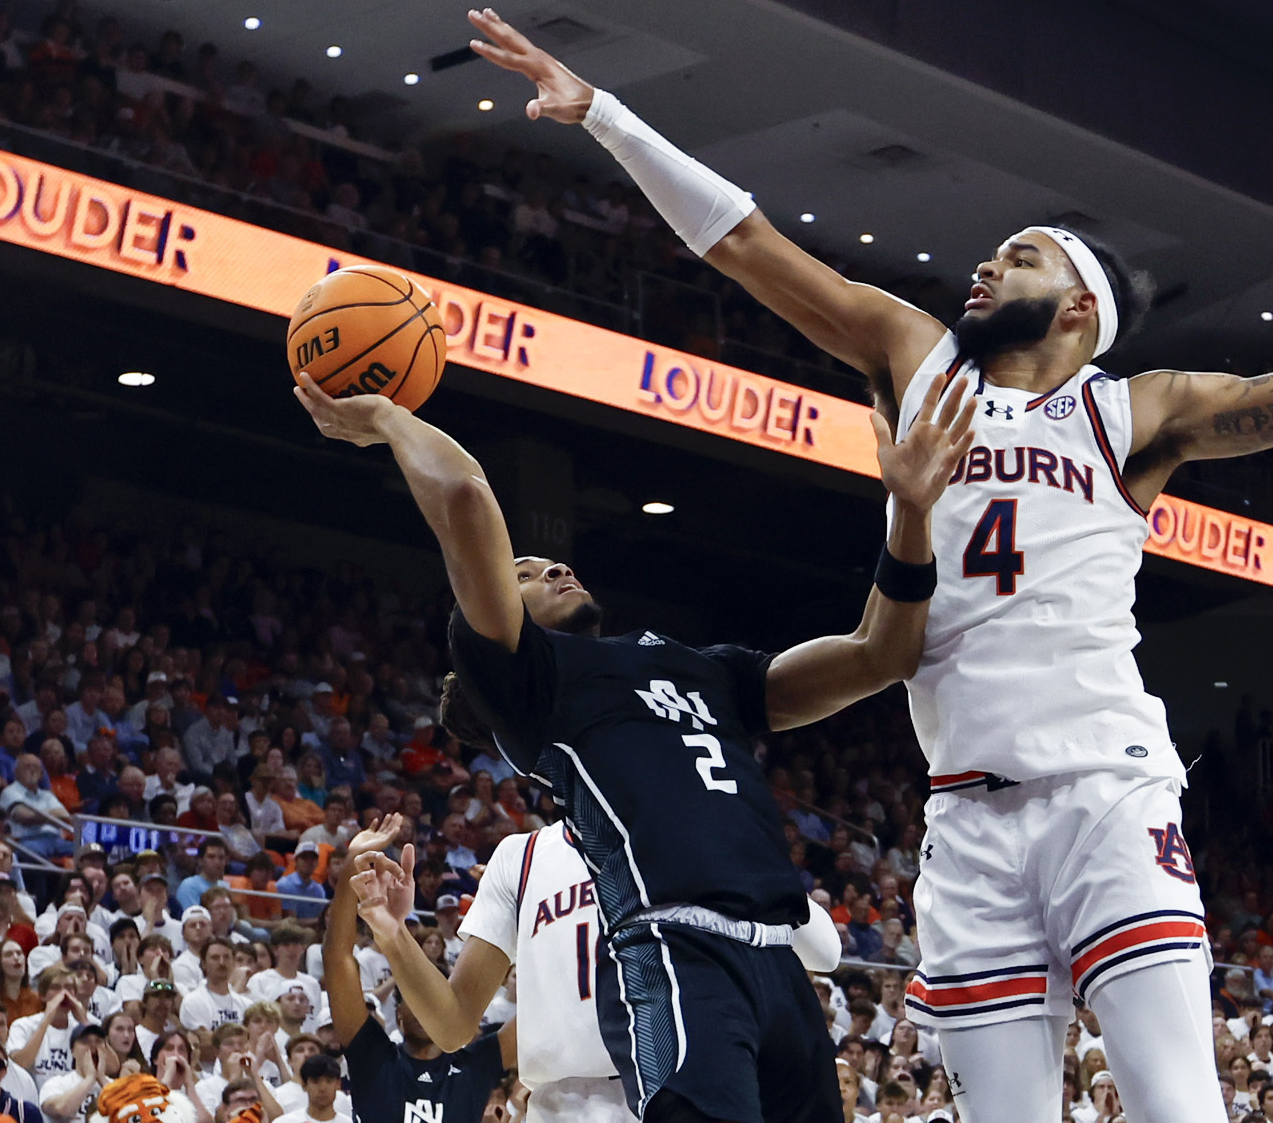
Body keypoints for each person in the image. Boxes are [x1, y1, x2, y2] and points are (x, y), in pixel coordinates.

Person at [467, 5, 1273, 1123]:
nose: (985, 269)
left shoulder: (1133, 413)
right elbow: (751, 248)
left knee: (1172, 1104)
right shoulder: (915, 355)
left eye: (1020, 258)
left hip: (1104, 786)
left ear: (1077, 313)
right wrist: (608, 115)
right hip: (965, 815)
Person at [295, 328, 969, 1123]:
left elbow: (880, 652)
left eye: (546, 560)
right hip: (672, 962)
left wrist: (911, 514)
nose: (546, 564)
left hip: (772, 967)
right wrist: (390, 419)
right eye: (519, 573)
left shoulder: (699, 665)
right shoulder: (535, 691)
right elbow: (468, 498)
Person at [350, 818, 630, 1123]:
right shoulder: (522, 855)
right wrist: (394, 934)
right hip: (558, 1103)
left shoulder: (676, 834)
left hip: (660, 1089)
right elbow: (452, 1026)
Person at [320, 822, 508, 1123]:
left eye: (434, 995)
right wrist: (351, 868)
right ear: (397, 1016)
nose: (425, 1007)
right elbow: (338, 959)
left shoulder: (476, 1063)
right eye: (414, 998)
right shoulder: (373, 1055)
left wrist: (513, 905)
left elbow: (546, 1009)